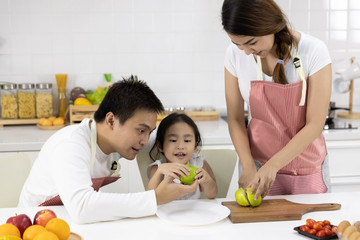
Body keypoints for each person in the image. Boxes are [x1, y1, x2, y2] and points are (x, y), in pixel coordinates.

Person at [18, 77, 199, 223]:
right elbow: (82, 207)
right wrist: (156, 198)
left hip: (71, 222)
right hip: (35, 225)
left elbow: (168, 136)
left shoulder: (118, 139)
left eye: (149, 132)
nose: (145, 140)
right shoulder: (71, 144)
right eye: (141, 130)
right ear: (111, 120)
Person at [221, 0, 332, 200]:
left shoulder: (313, 51)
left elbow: (315, 124)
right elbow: (235, 119)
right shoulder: (234, 56)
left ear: (270, 25)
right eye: (237, 44)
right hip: (257, 169)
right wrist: (248, 166)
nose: (246, 52)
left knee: (314, 228)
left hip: (307, 169)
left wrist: (273, 165)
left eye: (251, 42)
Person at [147, 113, 217, 199]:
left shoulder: (199, 164)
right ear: (160, 146)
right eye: (173, 140)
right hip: (167, 212)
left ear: (195, 146)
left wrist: (206, 181)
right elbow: (150, 199)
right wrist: (159, 172)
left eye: (187, 140)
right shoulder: (158, 168)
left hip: (193, 211)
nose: (180, 146)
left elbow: (212, 194)